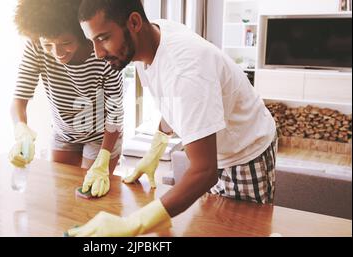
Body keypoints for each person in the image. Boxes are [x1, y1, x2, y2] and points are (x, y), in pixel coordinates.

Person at [67, 0, 277, 237]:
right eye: (92, 41)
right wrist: (157, 147)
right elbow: (175, 103)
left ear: (134, 22)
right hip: (215, 151)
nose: (97, 53)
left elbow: (204, 171)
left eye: (103, 38)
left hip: (245, 151)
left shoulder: (185, 71)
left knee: (241, 230)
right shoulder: (147, 43)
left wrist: (132, 225)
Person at [9, 0, 124, 198]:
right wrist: (21, 129)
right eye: (48, 45)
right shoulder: (36, 46)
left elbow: (115, 113)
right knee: (63, 196)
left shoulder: (103, 52)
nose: (57, 53)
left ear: (82, 34)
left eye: (66, 43)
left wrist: (104, 156)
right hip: (64, 133)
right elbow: (19, 98)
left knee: (90, 197)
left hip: (101, 137)